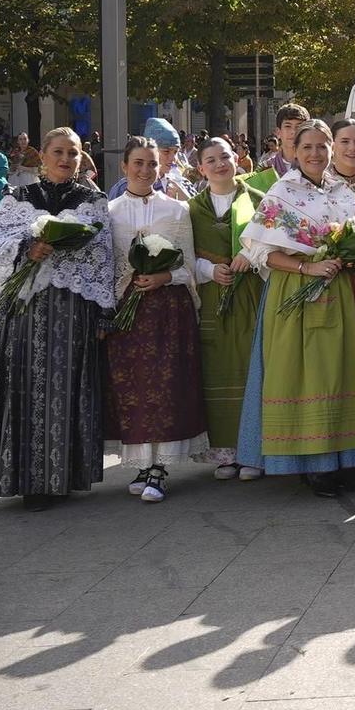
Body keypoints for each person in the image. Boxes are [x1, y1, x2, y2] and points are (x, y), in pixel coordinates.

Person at [239, 119, 355, 497]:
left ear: (330, 150)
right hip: (300, 292)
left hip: (345, 290)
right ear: (294, 151)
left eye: (321, 147)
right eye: (307, 147)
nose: (314, 154)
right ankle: (312, 463)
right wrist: (308, 266)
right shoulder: (282, 192)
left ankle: (343, 455)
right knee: (310, 375)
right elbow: (261, 250)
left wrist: (350, 256)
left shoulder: (343, 191)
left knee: (342, 371)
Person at [0, 127, 113, 509]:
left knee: (63, 389)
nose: (65, 159)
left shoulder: (92, 200)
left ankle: (61, 476)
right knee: (22, 387)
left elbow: (102, 261)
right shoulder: (17, 197)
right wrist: (26, 247)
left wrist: (104, 315)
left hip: (70, 312)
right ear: (42, 154)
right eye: (58, 152)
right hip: (21, 309)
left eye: (73, 153)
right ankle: (24, 479)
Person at [106, 136, 207, 503]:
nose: (146, 170)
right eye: (138, 163)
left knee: (165, 386)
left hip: (168, 309)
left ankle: (160, 467)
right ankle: (142, 464)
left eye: (151, 163)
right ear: (125, 166)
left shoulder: (176, 210)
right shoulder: (110, 211)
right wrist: (127, 285)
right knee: (133, 386)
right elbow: (110, 266)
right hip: (129, 308)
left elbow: (187, 263)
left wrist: (164, 276)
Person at [188, 137, 262, 480]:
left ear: (238, 159)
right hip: (212, 299)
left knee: (252, 369)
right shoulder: (192, 209)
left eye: (225, 157)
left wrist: (251, 255)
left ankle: (255, 451)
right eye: (211, 160)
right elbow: (184, 253)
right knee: (216, 373)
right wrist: (208, 270)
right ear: (201, 168)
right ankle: (225, 454)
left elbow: (274, 242)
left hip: (249, 295)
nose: (220, 164)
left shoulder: (258, 201)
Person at [255, 103, 310, 177]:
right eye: (288, 126)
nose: (293, 131)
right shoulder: (267, 167)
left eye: (299, 126)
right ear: (278, 132)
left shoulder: (316, 164)